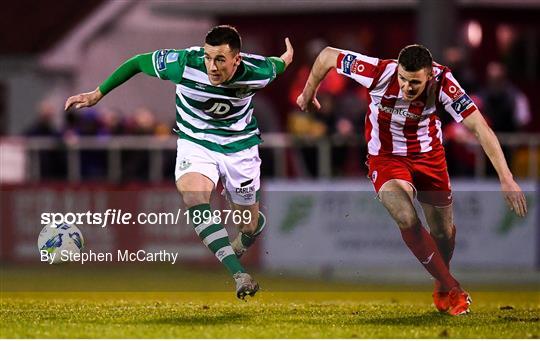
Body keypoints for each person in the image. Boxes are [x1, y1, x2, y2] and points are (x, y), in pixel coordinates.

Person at [65, 25, 294, 299]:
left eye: (220, 59)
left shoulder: (259, 71)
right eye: (208, 57)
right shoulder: (183, 63)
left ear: (237, 59)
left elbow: (280, 63)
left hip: (239, 148)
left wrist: (288, 55)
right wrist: (97, 93)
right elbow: (138, 62)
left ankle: (248, 234)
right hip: (195, 142)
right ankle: (239, 275)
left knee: (248, 224)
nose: (212, 66)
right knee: (194, 197)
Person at [297, 44, 527, 316]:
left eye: (414, 82)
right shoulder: (378, 71)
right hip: (386, 158)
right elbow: (326, 56)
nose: (406, 86)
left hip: (429, 157)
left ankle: (442, 283)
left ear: (429, 75)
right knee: (405, 216)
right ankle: (452, 288)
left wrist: (507, 178)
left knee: (443, 233)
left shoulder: (444, 82)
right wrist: (308, 93)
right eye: (403, 79)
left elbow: (479, 127)